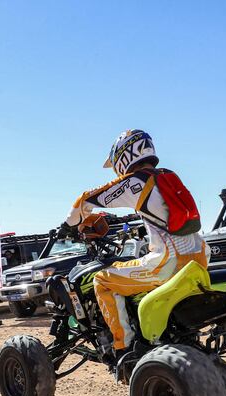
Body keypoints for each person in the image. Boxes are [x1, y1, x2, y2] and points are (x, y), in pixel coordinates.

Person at [59, 129, 208, 358]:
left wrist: (68, 226)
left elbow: (86, 199)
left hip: (168, 263)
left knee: (103, 281)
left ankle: (124, 348)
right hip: (199, 258)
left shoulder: (135, 183)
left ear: (124, 155)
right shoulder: (166, 175)